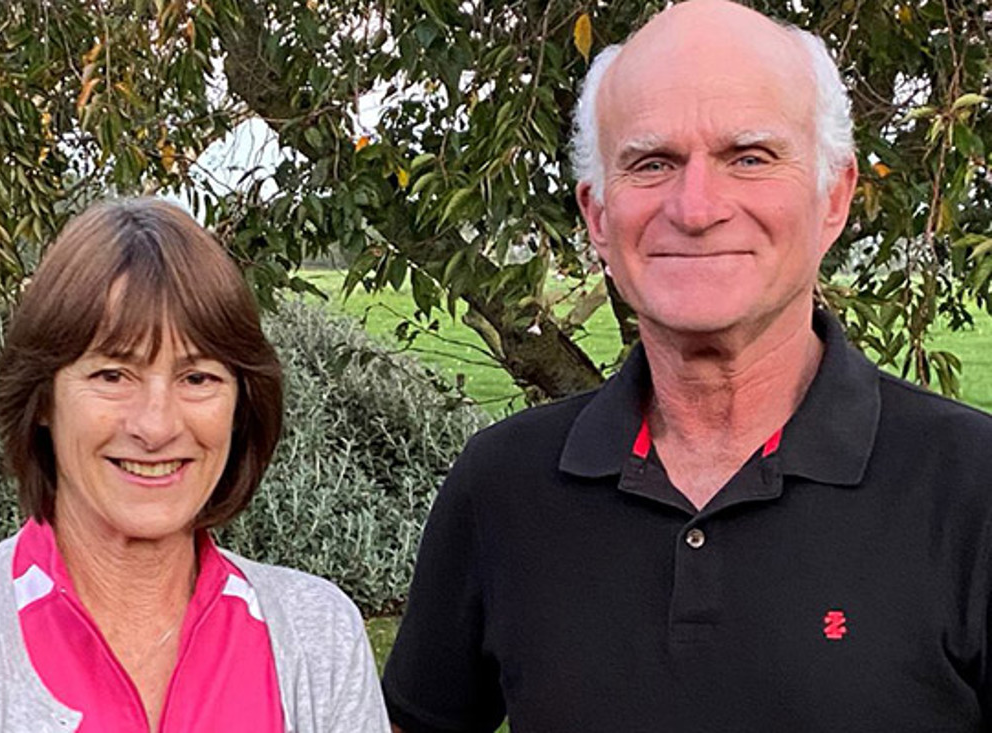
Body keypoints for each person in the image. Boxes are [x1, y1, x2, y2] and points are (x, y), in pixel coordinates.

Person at [382, 1, 992, 731]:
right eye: (652, 162)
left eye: (750, 157)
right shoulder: (504, 485)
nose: (697, 207)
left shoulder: (971, 485)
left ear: (834, 197)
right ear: (598, 215)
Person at [0, 198, 390, 732]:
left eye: (198, 378)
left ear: (242, 406)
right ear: (42, 400)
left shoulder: (318, 636)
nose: (155, 426)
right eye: (112, 375)